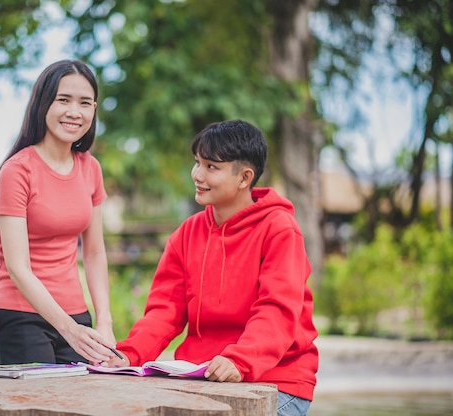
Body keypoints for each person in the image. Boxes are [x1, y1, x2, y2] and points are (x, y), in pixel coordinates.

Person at [106, 119, 318, 416]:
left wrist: (239, 360)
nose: (197, 175)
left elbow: (277, 310)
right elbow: (164, 312)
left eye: (210, 167)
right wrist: (128, 354)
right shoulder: (187, 233)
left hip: (276, 379)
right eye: (197, 163)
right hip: (201, 376)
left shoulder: (280, 229)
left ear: (244, 177)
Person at [0, 59, 116, 366]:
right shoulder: (17, 171)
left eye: (84, 102)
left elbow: (95, 252)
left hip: (76, 316)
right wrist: (70, 330)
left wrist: (104, 322)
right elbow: (18, 268)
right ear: (43, 104)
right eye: (63, 100)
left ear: (94, 109)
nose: (74, 112)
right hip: (20, 318)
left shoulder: (90, 168)